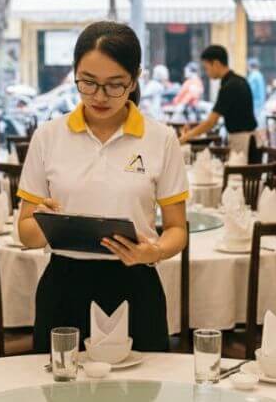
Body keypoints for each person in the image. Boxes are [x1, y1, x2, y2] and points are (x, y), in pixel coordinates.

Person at [16, 21, 189, 353]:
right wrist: (43, 222)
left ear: (135, 79)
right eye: (88, 83)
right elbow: (25, 233)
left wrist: (155, 251)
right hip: (64, 287)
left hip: (135, 283)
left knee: (141, 390)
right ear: (75, 74)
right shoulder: (48, 136)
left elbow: (177, 228)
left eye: (114, 85)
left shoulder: (161, 139)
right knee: (60, 390)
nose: (99, 96)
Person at [179, 45, 257, 155]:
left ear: (216, 63)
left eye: (206, 68)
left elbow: (211, 122)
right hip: (249, 139)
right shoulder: (238, 80)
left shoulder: (229, 86)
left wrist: (185, 138)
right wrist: (193, 127)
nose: (207, 72)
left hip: (243, 141)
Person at [247, 57, 266, 122]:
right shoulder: (259, 75)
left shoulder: (253, 76)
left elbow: (250, 91)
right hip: (259, 104)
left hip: (255, 104)